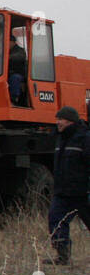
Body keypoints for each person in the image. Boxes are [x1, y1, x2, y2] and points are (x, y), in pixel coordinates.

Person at [46, 105, 90, 266]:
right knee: (55, 219)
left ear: (70, 121)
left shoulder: (85, 138)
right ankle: (63, 256)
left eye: (60, 119)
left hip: (82, 192)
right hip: (63, 192)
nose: (57, 122)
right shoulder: (60, 139)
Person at [9, 32, 28, 105]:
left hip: (19, 74)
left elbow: (20, 56)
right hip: (7, 74)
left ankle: (14, 98)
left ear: (13, 42)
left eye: (9, 42)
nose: (7, 44)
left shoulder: (20, 50)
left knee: (14, 78)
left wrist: (9, 57)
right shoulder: (3, 51)